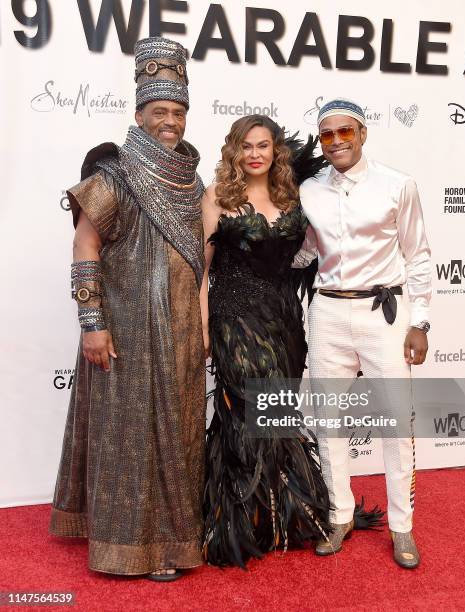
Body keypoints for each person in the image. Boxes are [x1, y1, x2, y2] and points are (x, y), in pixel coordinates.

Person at [49, 37, 205, 582]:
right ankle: (131, 544)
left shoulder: (193, 179)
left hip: (182, 331)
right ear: (139, 114)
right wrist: (92, 324)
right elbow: (84, 245)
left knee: (179, 438)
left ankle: (171, 539)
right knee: (129, 440)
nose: (170, 121)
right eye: (160, 111)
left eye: (178, 112)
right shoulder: (115, 174)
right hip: (127, 335)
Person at [200, 115, 383, 568]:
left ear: (275, 152)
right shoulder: (216, 197)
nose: (255, 153)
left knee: (278, 410)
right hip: (233, 317)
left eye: (264, 145)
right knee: (243, 410)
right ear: (235, 151)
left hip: (284, 319)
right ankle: (236, 521)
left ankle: (277, 516)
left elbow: (329, 244)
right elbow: (201, 271)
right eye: (247, 146)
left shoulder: (293, 196)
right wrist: (203, 326)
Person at [294, 98, 431, 569]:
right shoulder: (308, 191)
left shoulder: (398, 185)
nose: (335, 142)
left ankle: (402, 526)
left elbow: (418, 255)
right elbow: (306, 251)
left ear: (362, 134)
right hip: (328, 312)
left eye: (344, 132)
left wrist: (422, 320)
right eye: (326, 135)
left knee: (397, 421)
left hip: (384, 314)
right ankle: (340, 514)